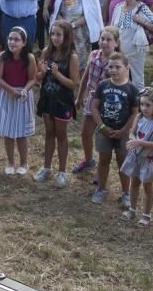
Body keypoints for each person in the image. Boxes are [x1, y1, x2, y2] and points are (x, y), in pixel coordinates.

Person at [33, 20, 81, 188]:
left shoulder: (72, 57)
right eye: (52, 34)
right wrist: (38, 70)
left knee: (61, 135)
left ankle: (62, 171)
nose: (55, 37)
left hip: (62, 100)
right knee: (49, 133)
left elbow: (73, 84)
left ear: (66, 36)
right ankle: (46, 167)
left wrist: (57, 74)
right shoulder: (46, 52)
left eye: (58, 34)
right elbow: (38, 78)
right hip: (47, 98)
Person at [90, 52, 140, 205]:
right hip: (104, 130)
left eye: (118, 67)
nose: (113, 70)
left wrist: (125, 130)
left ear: (127, 68)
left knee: (122, 161)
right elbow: (94, 107)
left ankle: (126, 193)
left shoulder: (132, 89)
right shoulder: (103, 85)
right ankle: (101, 189)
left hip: (123, 132)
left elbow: (134, 113)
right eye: (110, 67)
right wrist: (102, 126)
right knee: (103, 159)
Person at [0, 26, 37, 175]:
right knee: (8, 132)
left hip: (22, 96)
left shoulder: (29, 58)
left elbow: (32, 79)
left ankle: (23, 162)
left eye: (16, 39)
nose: (12, 42)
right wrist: (11, 90)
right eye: (10, 38)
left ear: (23, 42)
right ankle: (10, 162)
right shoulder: (3, 56)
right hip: (6, 94)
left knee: (21, 134)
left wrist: (23, 90)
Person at [72, 27, 120, 174]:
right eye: (102, 39)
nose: (104, 42)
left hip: (107, 104)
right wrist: (79, 97)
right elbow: (86, 76)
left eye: (109, 39)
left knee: (102, 139)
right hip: (91, 100)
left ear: (116, 43)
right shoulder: (94, 54)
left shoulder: (117, 62)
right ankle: (88, 161)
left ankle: (102, 169)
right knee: (85, 134)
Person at [120, 88, 153, 227]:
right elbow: (132, 132)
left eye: (148, 105)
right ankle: (132, 209)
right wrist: (133, 139)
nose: (144, 108)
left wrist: (139, 142)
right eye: (142, 104)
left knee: (147, 187)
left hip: (148, 159)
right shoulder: (139, 117)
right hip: (136, 156)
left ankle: (146, 214)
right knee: (134, 183)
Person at [110, 0, 153, 89]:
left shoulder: (142, 8)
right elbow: (113, 29)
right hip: (119, 52)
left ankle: (137, 104)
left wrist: (142, 22)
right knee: (118, 80)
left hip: (135, 53)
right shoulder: (117, 8)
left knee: (137, 82)